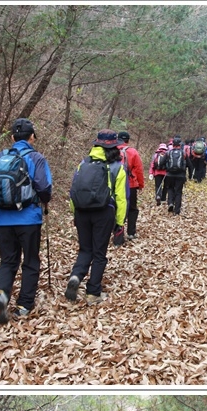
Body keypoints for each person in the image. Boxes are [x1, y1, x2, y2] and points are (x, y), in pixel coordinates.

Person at [0, 117, 52, 325]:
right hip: (29, 219)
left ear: (12, 137)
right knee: (30, 260)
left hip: (2, 219)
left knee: (8, 261)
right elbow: (44, 187)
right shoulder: (36, 158)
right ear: (32, 137)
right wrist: (45, 201)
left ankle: (1, 294)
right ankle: (24, 305)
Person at [65, 130, 127, 306]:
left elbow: (73, 191)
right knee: (99, 253)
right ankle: (93, 293)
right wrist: (120, 222)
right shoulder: (117, 168)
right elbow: (121, 198)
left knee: (85, 249)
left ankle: (76, 276)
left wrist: (74, 212)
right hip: (103, 213)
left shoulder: (83, 164)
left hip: (82, 211)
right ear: (115, 147)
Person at [117, 130, 144, 239]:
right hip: (130, 184)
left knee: (117, 207)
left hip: (116, 184)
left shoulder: (112, 151)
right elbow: (139, 170)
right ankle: (131, 232)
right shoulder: (133, 152)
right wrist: (140, 184)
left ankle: (117, 232)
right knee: (132, 208)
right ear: (128, 140)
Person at [164, 136, 186, 216]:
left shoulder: (168, 152)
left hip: (169, 174)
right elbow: (188, 164)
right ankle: (177, 210)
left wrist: (166, 168)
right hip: (180, 175)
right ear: (180, 145)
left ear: (173, 145)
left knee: (170, 189)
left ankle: (170, 203)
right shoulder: (183, 153)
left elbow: (163, 162)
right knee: (178, 192)